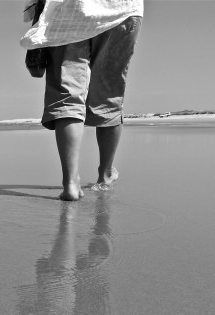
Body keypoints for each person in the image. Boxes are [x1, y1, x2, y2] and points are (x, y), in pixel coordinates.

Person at [21, 0, 143, 200]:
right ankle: (105, 175)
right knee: (109, 93)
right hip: (120, 9)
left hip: (69, 8)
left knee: (67, 95)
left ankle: (70, 182)